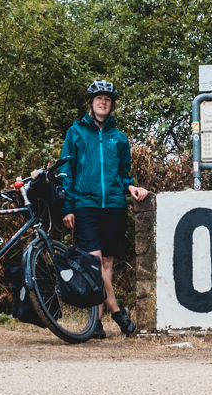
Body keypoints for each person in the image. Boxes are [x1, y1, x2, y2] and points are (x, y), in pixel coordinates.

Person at [60, 81, 149, 338]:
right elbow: (67, 172)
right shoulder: (75, 132)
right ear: (91, 102)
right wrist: (68, 207)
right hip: (85, 204)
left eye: (108, 99)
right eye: (99, 98)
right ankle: (116, 310)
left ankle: (96, 323)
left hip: (114, 205)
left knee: (108, 261)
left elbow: (123, 174)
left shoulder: (119, 138)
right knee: (94, 262)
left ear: (111, 105)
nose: (103, 102)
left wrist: (131, 188)